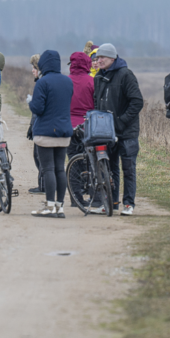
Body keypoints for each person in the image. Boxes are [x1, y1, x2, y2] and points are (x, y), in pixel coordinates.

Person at [93, 43, 144, 216]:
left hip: (127, 131)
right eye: (97, 57)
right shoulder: (99, 77)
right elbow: (97, 103)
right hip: (107, 132)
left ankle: (128, 204)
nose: (98, 60)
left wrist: (122, 121)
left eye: (102, 58)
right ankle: (111, 203)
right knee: (109, 168)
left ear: (112, 59)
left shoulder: (126, 75)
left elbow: (137, 101)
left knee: (128, 168)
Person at [29, 50, 74, 218]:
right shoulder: (67, 81)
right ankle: (60, 207)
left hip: (45, 133)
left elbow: (38, 108)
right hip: (64, 132)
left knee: (48, 169)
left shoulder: (42, 82)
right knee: (60, 169)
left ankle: (49, 206)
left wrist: (30, 103)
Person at [67, 50, 95, 158]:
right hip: (88, 125)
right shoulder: (92, 82)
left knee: (72, 156)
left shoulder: (66, 81)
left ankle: (73, 174)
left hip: (70, 125)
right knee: (89, 157)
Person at [26, 54, 44, 194]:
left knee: (39, 156)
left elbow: (37, 110)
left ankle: (43, 186)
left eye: (34, 67)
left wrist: (32, 127)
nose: (32, 70)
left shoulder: (41, 83)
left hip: (41, 126)